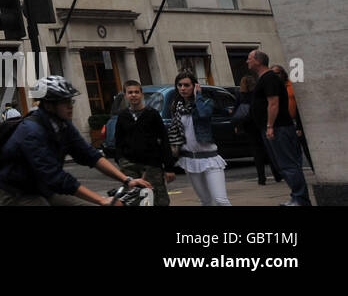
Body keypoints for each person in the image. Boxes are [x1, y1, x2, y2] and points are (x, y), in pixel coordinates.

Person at [0, 76, 150, 206]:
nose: (70, 106)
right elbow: (57, 178)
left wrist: (127, 180)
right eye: (65, 102)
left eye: (71, 101)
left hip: (43, 187)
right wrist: (101, 200)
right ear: (49, 105)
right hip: (16, 193)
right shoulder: (31, 132)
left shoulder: (63, 125)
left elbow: (90, 155)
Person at [249, 50, 310, 205]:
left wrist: (270, 126)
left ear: (258, 61)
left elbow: (273, 103)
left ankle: (300, 199)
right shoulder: (264, 79)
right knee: (283, 165)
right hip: (274, 128)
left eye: (249, 58)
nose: (246, 61)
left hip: (279, 128)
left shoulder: (269, 78)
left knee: (288, 165)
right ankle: (297, 197)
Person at [106, 79, 175, 206]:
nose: (133, 95)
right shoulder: (123, 116)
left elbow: (164, 140)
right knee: (133, 200)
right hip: (129, 165)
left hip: (152, 165)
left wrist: (169, 167)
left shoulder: (152, 114)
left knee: (157, 199)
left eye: (136, 92)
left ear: (141, 94)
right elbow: (119, 140)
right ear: (126, 95)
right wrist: (121, 159)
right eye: (130, 92)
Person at [167, 72, 230, 206]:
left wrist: (198, 95)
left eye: (186, 85)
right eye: (180, 85)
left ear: (194, 86)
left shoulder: (205, 102)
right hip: (190, 159)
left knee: (220, 200)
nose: (183, 88)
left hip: (210, 159)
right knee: (205, 201)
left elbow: (203, 114)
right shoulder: (176, 107)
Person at [237, 75, 280, 185]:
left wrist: (239, 125)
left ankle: (261, 178)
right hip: (260, 123)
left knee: (257, 152)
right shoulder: (258, 94)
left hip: (249, 126)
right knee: (268, 150)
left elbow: (238, 112)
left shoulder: (241, 95)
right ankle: (277, 174)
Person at [272, 65, 313, 171]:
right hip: (283, 122)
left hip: (296, 120)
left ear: (283, 73)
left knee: (305, 147)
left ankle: (313, 168)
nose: (276, 76)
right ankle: (297, 170)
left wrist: (299, 125)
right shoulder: (273, 87)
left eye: (277, 73)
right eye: (273, 74)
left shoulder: (291, 85)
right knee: (290, 149)